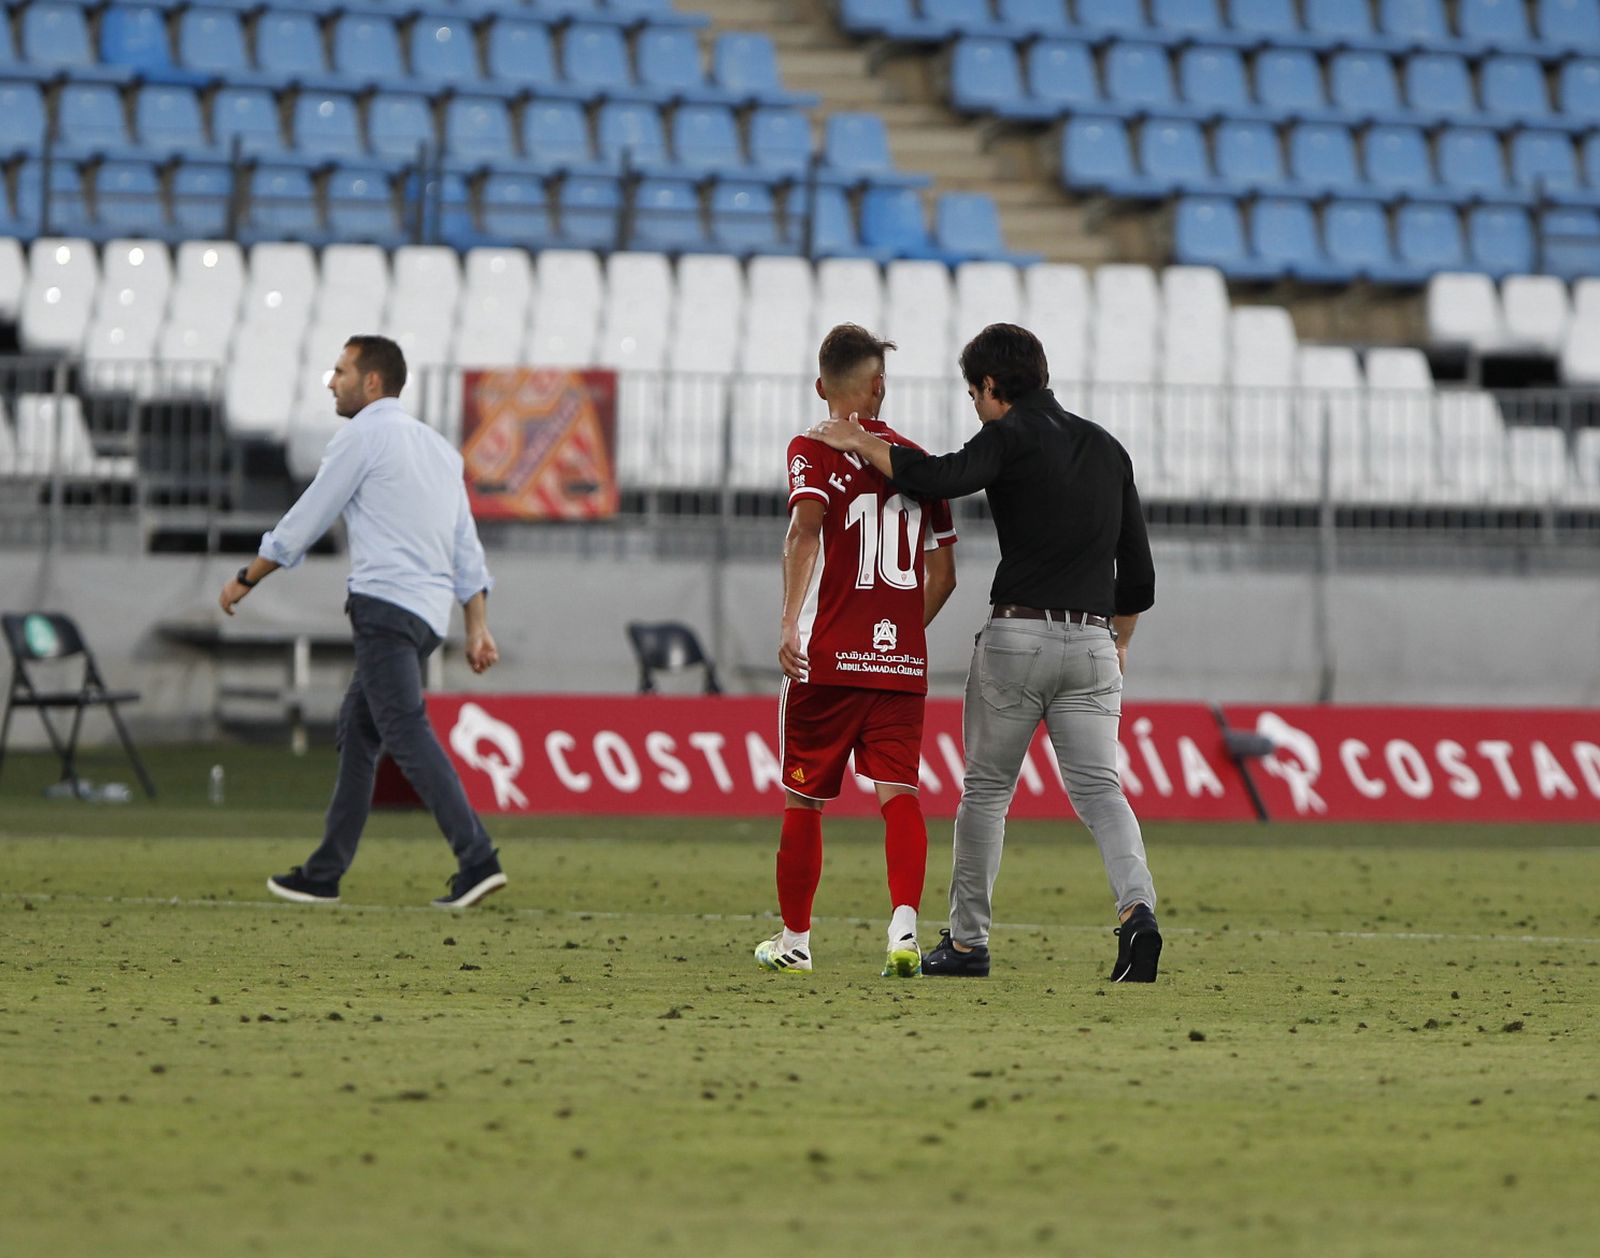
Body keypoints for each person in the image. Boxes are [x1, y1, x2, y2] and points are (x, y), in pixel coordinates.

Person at [807, 322, 1161, 982]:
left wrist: (862, 442)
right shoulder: (1108, 448)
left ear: (992, 385)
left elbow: (943, 477)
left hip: (1018, 637)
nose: (975, 406)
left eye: (974, 394)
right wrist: (1119, 643)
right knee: (1101, 791)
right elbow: (1138, 578)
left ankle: (968, 944)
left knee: (988, 793)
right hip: (1094, 642)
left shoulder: (1008, 434)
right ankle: (1137, 910)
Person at [218, 335, 508, 911]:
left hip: (385, 607)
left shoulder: (362, 437)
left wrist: (249, 575)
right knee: (360, 730)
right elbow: (466, 550)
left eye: (341, 371)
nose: (331, 382)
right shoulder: (440, 451)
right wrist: (476, 625)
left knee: (403, 729)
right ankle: (324, 873)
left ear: (372, 382)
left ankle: (477, 858)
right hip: (426, 619)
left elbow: (308, 517)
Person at [754, 323, 958, 977]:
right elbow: (945, 576)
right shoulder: (920, 463)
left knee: (804, 799)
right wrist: (896, 634)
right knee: (900, 794)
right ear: (880, 387)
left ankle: (795, 940)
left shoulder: (810, 449)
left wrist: (789, 623)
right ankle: (904, 932)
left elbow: (804, 531)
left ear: (822, 387)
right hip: (898, 664)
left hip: (825, 657)